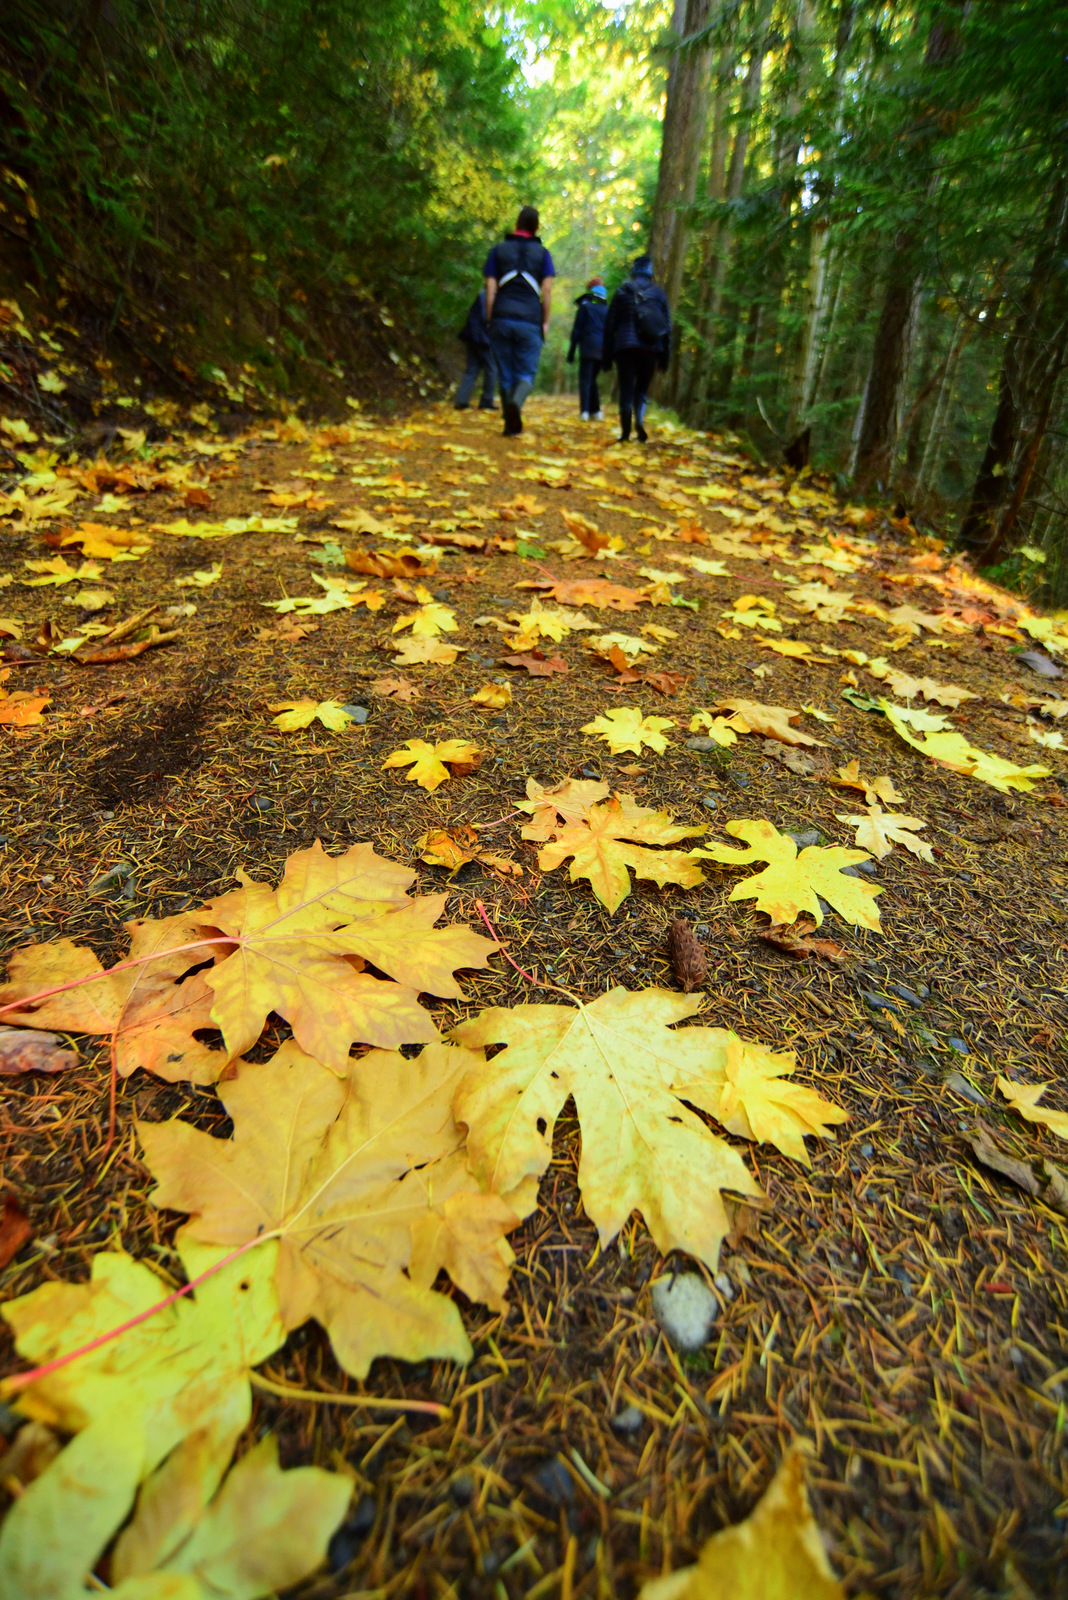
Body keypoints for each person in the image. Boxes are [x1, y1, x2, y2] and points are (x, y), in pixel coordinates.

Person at [484, 205, 555, 436]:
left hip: (502, 316)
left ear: (517, 223)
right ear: (536, 227)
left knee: (505, 373)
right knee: (525, 373)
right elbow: (547, 291)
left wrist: (489, 317)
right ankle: (516, 404)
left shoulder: (498, 250)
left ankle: (509, 423)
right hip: (530, 320)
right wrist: (545, 321)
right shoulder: (543, 254)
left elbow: (491, 287)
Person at [602, 253, 671, 443]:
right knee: (641, 389)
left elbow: (609, 326)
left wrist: (606, 357)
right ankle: (639, 420)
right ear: (650, 273)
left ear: (634, 272)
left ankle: (625, 433)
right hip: (650, 349)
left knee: (626, 389)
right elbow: (666, 328)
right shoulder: (658, 294)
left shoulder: (623, 291)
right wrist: (665, 358)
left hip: (625, 347)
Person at [566, 279, 607, 420]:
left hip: (588, 347)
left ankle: (584, 411)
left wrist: (571, 351)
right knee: (593, 379)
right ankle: (596, 411)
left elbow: (577, 330)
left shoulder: (585, 307)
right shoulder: (606, 309)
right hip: (602, 350)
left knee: (585, 379)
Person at [453, 288, 497, 410]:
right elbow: (486, 317)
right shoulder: (490, 295)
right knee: (492, 369)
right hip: (483, 338)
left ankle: (461, 401)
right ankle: (486, 401)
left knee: (472, 369)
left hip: (472, 336)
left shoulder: (482, 293)